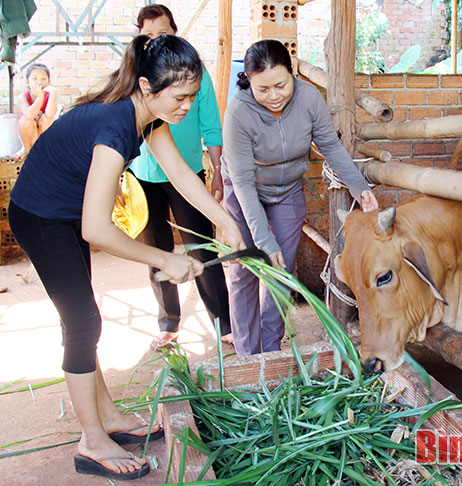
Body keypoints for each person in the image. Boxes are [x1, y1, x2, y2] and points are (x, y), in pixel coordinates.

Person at [8, 35, 245, 480]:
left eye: (193, 95)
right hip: (40, 214)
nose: (187, 106)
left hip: (62, 210)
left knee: (81, 317)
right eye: (180, 97)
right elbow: (96, 228)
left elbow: (179, 172)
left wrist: (224, 219)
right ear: (146, 86)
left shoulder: (147, 116)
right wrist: (165, 258)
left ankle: (108, 418)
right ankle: (92, 441)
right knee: (83, 321)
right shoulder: (116, 127)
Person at [222, 39, 378, 355]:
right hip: (243, 192)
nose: (274, 96)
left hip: (287, 190)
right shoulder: (239, 112)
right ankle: (247, 355)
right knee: (244, 270)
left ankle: (270, 350)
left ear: (292, 73)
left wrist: (359, 187)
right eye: (262, 89)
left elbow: (330, 147)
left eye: (280, 85)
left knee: (281, 270)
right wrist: (263, 240)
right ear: (248, 81)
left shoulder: (308, 98)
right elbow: (242, 181)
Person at [130, 4, 233, 349]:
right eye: (148, 36)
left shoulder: (193, 72)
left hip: (187, 172)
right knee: (157, 251)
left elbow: (211, 125)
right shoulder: (136, 82)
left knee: (202, 249)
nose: (156, 41)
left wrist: (218, 171)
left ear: (176, 33)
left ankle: (224, 324)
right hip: (143, 176)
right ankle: (168, 322)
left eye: (163, 34)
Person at [17, 62, 58, 157]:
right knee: (25, 120)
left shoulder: (49, 95)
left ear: (48, 81)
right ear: (27, 81)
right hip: (29, 136)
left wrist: (53, 94)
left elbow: (50, 114)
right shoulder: (23, 96)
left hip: (42, 135)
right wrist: (40, 96)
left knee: (47, 119)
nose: (39, 82)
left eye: (43, 79)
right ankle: (27, 151)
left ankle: (44, 149)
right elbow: (29, 115)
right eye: (34, 78)